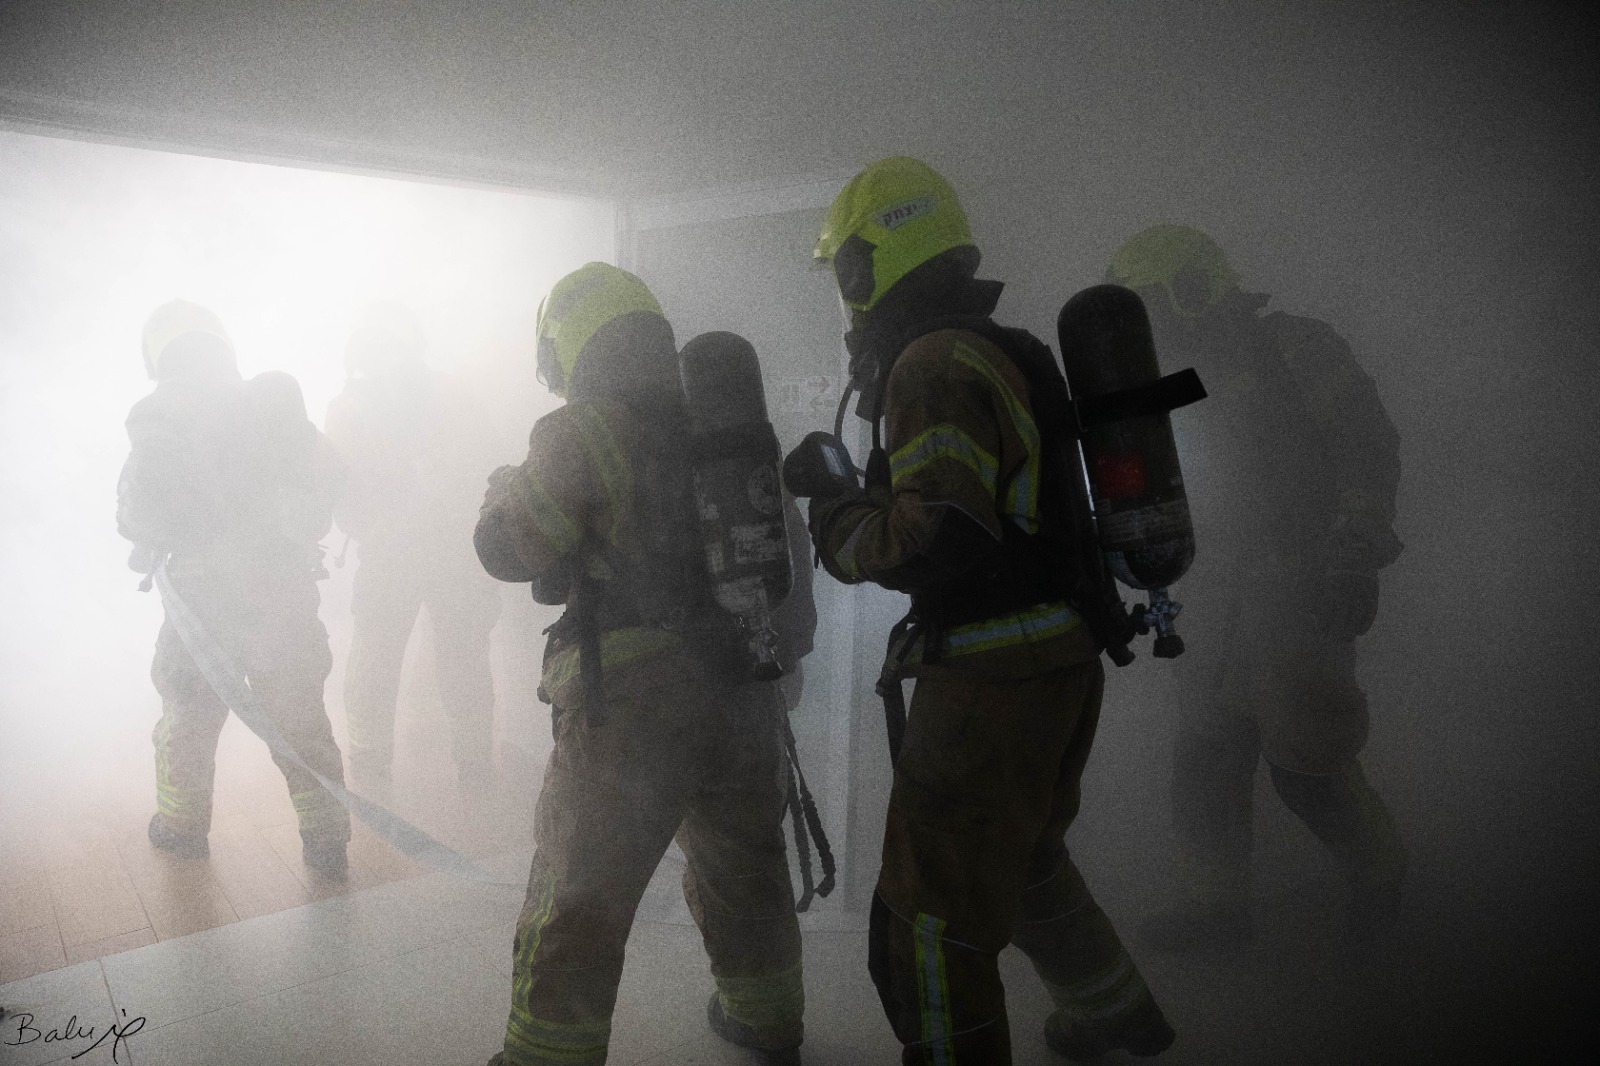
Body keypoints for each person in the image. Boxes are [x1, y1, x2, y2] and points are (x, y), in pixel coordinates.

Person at [806, 157, 1174, 1064]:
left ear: (868, 261)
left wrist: (836, 517)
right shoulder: (998, 348)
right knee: (1028, 863)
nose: (846, 296)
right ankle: (1117, 1020)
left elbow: (936, 538)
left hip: (990, 684)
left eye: (846, 270)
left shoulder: (930, 364)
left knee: (931, 921)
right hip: (1058, 660)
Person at [475, 263, 806, 1066]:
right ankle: (765, 1021)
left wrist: (499, 491)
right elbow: (785, 557)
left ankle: (546, 1057)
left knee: (580, 892)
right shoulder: (725, 426)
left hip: (633, 709)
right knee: (745, 870)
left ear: (570, 348)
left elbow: (511, 550)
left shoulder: (584, 430)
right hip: (743, 693)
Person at [1105, 224, 1408, 948]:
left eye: (1151, 306)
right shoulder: (1166, 383)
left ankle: (1378, 872)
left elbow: (1367, 444)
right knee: (1204, 756)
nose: (1145, 330)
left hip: (1298, 582)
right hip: (1206, 590)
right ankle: (1217, 906)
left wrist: (1355, 552)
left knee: (1309, 759)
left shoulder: (1293, 349)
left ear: (1192, 288)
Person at [118, 299, 351, 875]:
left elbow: (139, 516)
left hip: (201, 602)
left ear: (157, 358)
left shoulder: (157, 416)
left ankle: (181, 829)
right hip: (282, 591)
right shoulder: (273, 402)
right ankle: (326, 843)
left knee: (189, 719)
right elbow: (326, 477)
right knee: (300, 719)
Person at [323, 304, 503, 789]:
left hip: (427, 553)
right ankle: (463, 770)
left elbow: (487, 466)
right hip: (427, 554)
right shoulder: (446, 396)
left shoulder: (354, 407)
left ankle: (383, 768)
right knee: (430, 662)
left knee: (400, 663)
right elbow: (341, 490)